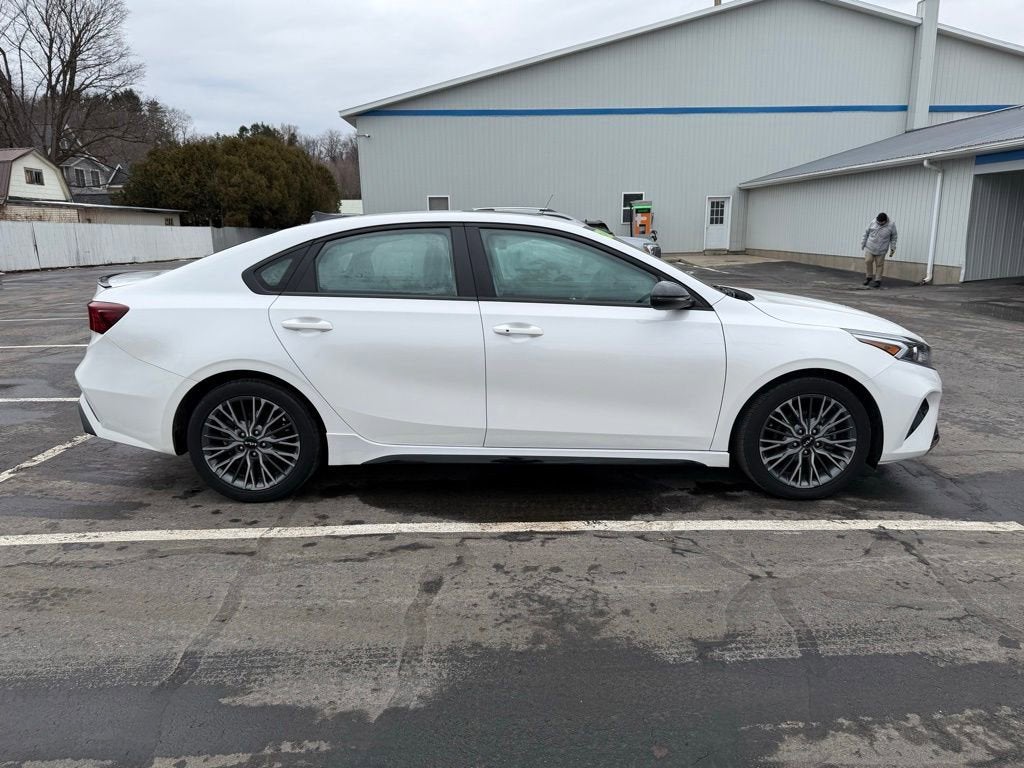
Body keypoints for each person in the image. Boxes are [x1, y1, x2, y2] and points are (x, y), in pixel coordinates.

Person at [861, 212, 897, 288]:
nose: (880, 223)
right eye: (878, 222)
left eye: (881, 222)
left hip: (882, 249)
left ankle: (878, 280)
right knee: (868, 261)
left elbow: (894, 237)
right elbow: (866, 233)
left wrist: (892, 248)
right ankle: (869, 277)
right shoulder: (873, 222)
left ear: (885, 221)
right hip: (870, 247)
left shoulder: (891, 225)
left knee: (879, 265)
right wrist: (863, 243)